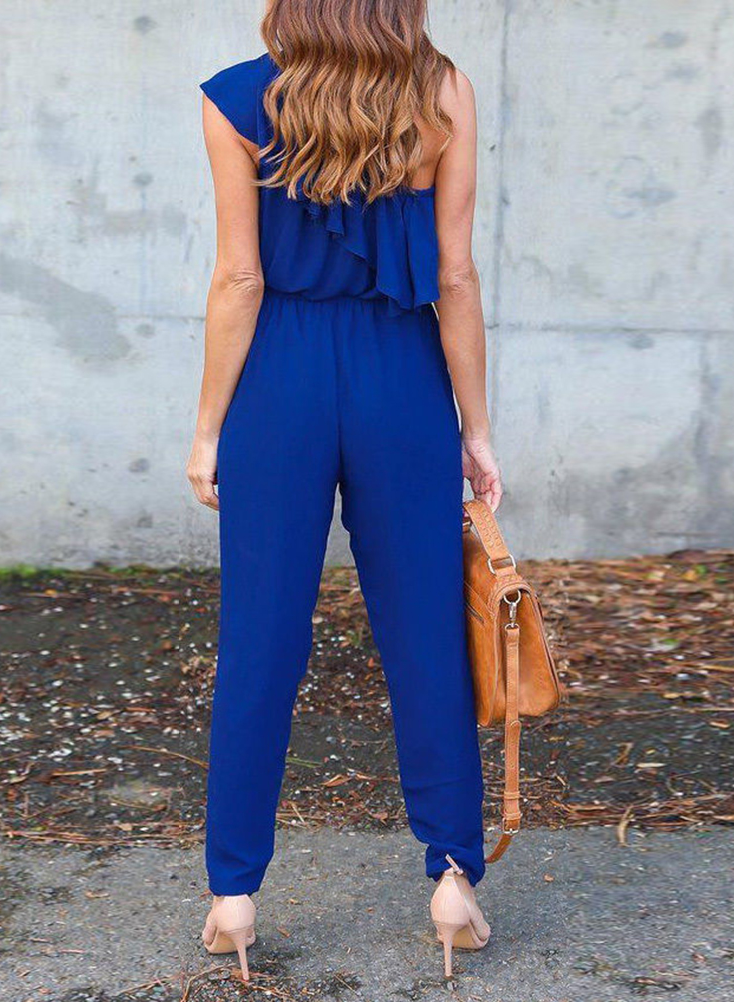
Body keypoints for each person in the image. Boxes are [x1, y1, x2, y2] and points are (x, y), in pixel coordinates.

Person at [187, 0, 502, 980]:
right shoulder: (442, 92)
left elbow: (239, 279)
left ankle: (234, 896)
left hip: (278, 378)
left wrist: (208, 428)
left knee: (260, 638)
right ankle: (452, 880)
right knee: (426, 634)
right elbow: (455, 275)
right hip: (400, 377)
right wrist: (476, 426)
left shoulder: (235, 100)